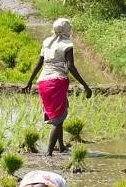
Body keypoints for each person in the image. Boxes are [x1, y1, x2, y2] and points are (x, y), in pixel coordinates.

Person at [22, 18, 92, 155]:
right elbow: (71, 66)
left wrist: (30, 82)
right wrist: (85, 86)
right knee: (58, 120)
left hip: (43, 82)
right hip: (57, 82)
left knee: (60, 115)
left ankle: (61, 146)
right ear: (67, 30)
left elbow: (39, 63)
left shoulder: (47, 42)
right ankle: (49, 153)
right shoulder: (67, 44)